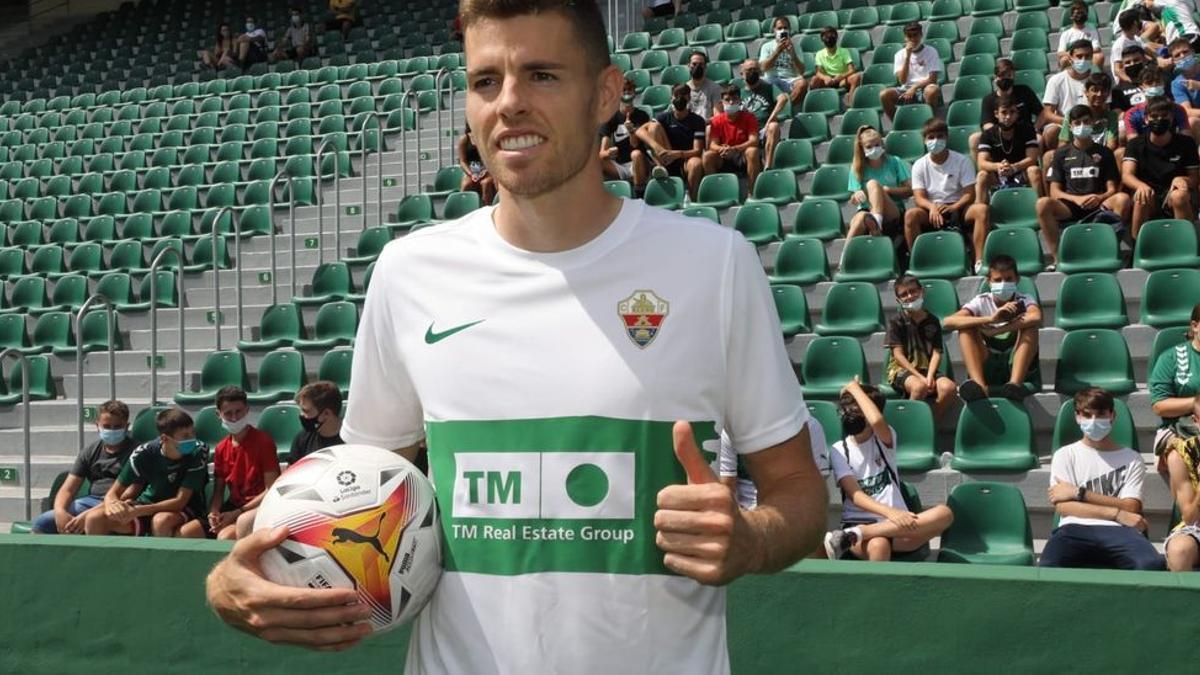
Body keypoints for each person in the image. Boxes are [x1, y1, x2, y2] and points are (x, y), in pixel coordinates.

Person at [205, 0, 828, 666]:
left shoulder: (713, 264)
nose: (509, 104)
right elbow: (353, 500)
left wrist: (751, 538)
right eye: (485, 81)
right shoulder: (410, 273)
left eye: (543, 76)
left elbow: (800, 493)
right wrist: (230, 580)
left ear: (606, 94)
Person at [822, 379, 954, 561]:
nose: (852, 415)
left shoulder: (884, 439)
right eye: (849, 410)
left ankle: (857, 534)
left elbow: (876, 420)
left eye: (859, 410)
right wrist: (890, 513)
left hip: (898, 525)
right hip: (863, 520)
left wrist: (854, 387)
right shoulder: (839, 449)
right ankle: (855, 538)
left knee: (944, 514)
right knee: (879, 544)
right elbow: (856, 496)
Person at [1040, 388, 1164, 571]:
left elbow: (1131, 506)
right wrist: (1116, 513)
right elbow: (1064, 507)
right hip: (1073, 528)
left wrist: (1078, 492)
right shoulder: (1065, 455)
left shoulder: (1132, 458)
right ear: (1077, 417)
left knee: (1151, 564)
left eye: (1100, 414)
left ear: (1112, 415)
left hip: (1121, 531)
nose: (1093, 421)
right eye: (1087, 415)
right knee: (1049, 566)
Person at [233, 381, 345, 539]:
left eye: (306, 411)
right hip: (304, 501)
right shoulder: (302, 438)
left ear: (326, 414)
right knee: (245, 522)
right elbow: (288, 480)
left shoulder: (350, 438)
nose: (302, 416)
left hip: (340, 502)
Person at [84, 408, 208, 537]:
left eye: (193, 433)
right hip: (147, 504)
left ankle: (160, 557)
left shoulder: (199, 450)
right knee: (94, 518)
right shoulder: (144, 453)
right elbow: (113, 493)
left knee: (161, 521)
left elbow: (180, 501)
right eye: (185, 436)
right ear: (165, 439)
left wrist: (138, 511)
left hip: (185, 507)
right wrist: (114, 506)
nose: (192, 439)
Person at [1037, 104, 1131, 268]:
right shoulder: (1060, 153)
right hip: (1071, 206)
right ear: (1071, 126)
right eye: (1077, 123)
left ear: (1093, 123)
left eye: (1086, 121)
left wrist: (1099, 197)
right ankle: (1058, 258)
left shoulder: (1105, 152)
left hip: (1098, 204)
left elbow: (1112, 189)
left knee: (1122, 199)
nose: (1082, 126)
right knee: (1042, 204)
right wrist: (1077, 199)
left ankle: (1107, 251)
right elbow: (1054, 191)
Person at [943, 255, 1042, 402]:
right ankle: (979, 386)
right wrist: (990, 319)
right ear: (989, 281)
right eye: (997, 280)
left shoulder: (1024, 299)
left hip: (1013, 360)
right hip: (987, 360)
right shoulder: (981, 301)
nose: (1003, 284)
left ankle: (1014, 385)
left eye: (1008, 279)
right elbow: (947, 322)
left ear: (1017, 280)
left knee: (1030, 327)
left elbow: (1036, 317)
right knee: (966, 328)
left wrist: (997, 330)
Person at [31, 400, 135, 534]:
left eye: (117, 426)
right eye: (107, 426)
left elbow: (130, 493)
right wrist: (60, 511)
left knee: (93, 519)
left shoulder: (137, 452)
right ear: (97, 426)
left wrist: (86, 515)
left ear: (127, 427)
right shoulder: (90, 451)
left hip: (119, 504)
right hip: (90, 501)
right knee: (43, 522)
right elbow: (68, 489)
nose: (112, 430)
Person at [905, 117, 991, 274]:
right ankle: (917, 261)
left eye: (940, 136)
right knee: (911, 215)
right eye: (931, 137)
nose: (935, 140)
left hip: (958, 206)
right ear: (924, 140)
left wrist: (953, 207)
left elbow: (969, 194)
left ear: (947, 137)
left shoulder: (962, 160)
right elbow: (919, 197)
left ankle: (979, 261)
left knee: (982, 210)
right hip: (932, 209)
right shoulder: (919, 165)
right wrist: (932, 208)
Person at [1122, 96, 1200, 238]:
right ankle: (1138, 247)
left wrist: (1183, 179)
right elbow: (1127, 175)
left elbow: (1195, 178)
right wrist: (1140, 186)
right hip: (1150, 194)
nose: (1159, 119)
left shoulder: (1186, 143)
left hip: (1175, 194)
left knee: (1179, 195)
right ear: (1146, 119)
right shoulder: (1135, 144)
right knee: (1141, 197)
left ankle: (1187, 244)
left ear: (1171, 118)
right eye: (1154, 116)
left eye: (1164, 116)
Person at [208, 387, 279, 541]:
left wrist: (238, 512)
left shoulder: (264, 442)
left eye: (238, 411)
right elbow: (218, 491)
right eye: (228, 413)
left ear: (247, 410)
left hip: (261, 507)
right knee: (191, 532)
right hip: (234, 508)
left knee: (226, 536)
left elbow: (270, 489)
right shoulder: (221, 448)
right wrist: (214, 512)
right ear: (218, 414)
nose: (234, 418)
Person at [885, 275, 959, 421]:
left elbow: (937, 352)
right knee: (919, 388)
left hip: (927, 369)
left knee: (949, 388)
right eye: (904, 294)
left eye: (913, 291)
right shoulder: (896, 322)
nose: (910, 296)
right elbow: (898, 356)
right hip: (901, 370)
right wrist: (920, 377)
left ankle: (929, 424)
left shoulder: (933, 320)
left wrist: (930, 376)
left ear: (922, 291)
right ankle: (908, 425)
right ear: (898, 300)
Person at [719, 419, 830, 509]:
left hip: (793, 512)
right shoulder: (730, 429)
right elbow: (727, 485)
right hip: (746, 514)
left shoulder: (810, 425)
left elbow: (814, 487)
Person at [1149, 303, 1200, 473]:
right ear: (1195, 326)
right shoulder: (1171, 358)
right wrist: (1195, 403)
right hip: (1178, 429)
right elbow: (1159, 406)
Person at [844, 125, 912, 246]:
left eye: (877, 145)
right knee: (859, 218)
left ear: (882, 144)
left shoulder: (894, 162)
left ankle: (877, 224)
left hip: (892, 210)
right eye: (869, 147)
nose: (874, 149)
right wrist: (856, 196)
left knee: (873, 184)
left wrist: (887, 190)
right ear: (862, 148)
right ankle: (845, 257)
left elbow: (909, 190)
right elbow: (853, 199)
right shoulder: (857, 168)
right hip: (866, 210)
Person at [638, 83, 707, 199]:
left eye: (684, 95)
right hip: (666, 158)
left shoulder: (697, 120)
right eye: (676, 95)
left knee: (696, 163)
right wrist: (659, 149)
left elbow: (697, 150)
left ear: (689, 97)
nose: (680, 98)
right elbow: (639, 131)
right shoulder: (664, 117)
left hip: (685, 160)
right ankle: (661, 168)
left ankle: (693, 199)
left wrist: (677, 154)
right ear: (671, 98)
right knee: (653, 127)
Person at [976, 94, 1043, 206]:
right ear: (996, 114)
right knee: (982, 175)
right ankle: (981, 211)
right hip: (998, 173)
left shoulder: (1027, 130)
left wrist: (1014, 167)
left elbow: (1032, 158)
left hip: (1021, 170)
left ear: (1017, 114)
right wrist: (998, 166)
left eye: (1012, 112)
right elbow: (981, 163)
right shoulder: (988, 134)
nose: (1008, 116)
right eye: (1004, 112)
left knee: (1034, 170)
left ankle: (1039, 207)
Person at [1046, 73, 1122, 170]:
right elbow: (1063, 143)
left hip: (1100, 156)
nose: (1099, 94)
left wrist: (1094, 157)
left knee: (1120, 153)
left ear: (1108, 94)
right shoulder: (1072, 113)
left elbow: (1111, 145)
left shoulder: (1111, 116)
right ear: (1086, 92)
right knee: (1048, 156)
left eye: (1103, 91)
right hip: (1074, 155)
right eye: (1095, 90)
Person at [1164, 397, 1200, 571]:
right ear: (1196, 421)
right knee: (1179, 550)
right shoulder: (1180, 455)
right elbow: (1190, 517)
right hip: (1197, 524)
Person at [703, 86, 762, 191]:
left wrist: (734, 149)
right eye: (727, 100)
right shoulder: (717, 120)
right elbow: (712, 144)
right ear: (722, 102)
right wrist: (722, 149)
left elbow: (754, 140)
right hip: (724, 155)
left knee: (753, 151)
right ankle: (716, 193)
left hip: (742, 154)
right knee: (708, 156)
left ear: (740, 100)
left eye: (734, 99)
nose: (731, 102)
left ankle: (752, 192)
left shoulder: (749, 117)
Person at [1042, 39, 1097, 153]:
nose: (1083, 60)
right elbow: (1047, 114)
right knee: (1050, 132)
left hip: (1091, 122)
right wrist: (1070, 122)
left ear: (1092, 57)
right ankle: (1059, 159)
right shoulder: (1056, 80)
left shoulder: (1098, 78)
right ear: (1070, 57)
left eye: (1087, 56)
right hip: (1064, 123)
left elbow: (1104, 107)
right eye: (1079, 56)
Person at [882, 22, 942, 121]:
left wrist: (915, 87)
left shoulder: (931, 51)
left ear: (921, 35)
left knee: (932, 90)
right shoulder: (899, 55)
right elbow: (902, 81)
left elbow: (933, 79)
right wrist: (907, 56)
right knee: (884, 94)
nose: (913, 39)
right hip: (905, 88)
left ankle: (929, 121)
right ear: (905, 37)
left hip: (924, 87)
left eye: (915, 35)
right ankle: (898, 124)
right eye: (909, 36)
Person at [599, 79, 651, 193]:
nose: (626, 93)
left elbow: (636, 145)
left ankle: (639, 193)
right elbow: (602, 153)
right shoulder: (611, 118)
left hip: (639, 162)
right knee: (595, 161)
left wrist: (631, 131)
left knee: (636, 154)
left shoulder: (642, 116)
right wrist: (609, 153)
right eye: (623, 90)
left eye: (629, 90)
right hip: (620, 165)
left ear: (634, 92)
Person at [741, 59, 786, 170]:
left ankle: (768, 165)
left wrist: (770, 119)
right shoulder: (738, 92)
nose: (752, 72)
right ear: (741, 73)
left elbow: (783, 98)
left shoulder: (768, 87)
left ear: (760, 72)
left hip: (763, 130)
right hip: (746, 131)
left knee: (774, 126)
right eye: (749, 70)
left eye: (755, 69)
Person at [758, 17, 808, 107]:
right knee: (758, 82)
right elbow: (763, 68)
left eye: (785, 28)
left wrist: (793, 55)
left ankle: (786, 107)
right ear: (774, 30)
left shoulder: (796, 47)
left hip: (789, 79)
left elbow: (801, 71)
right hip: (771, 78)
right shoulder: (766, 46)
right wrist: (777, 52)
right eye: (779, 28)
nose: (783, 30)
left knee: (802, 84)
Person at [809, 27, 861, 100]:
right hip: (827, 81)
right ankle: (816, 102)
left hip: (841, 80)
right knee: (814, 80)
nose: (829, 38)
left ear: (836, 37)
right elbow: (818, 72)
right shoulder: (819, 54)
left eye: (831, 35)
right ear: (822, 39)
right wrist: (825, 77)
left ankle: (851, 100)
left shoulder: (844, 51)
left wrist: (841, 76)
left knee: (856, 77)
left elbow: (852, 69)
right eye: (826, 36)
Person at [1057, 2, 1106, 70]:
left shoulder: (1092, 30)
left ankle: (1095, 78)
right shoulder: (1066, 34)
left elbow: (1097, 48)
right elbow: (1060, 53)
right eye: (1077, 13)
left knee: (1099, 56)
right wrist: (1075, 55)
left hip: (1088, 57)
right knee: (1064, 60)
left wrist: (1083, 54)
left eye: (1082, 13)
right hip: (1072, 58)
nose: (1080, 15)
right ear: (1071, 16)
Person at [458, 123, 496, 206]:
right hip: (471, 169)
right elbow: (462, 161)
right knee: (466, 184)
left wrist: (485, 170)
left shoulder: (486, 137)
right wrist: (471, 174)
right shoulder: (465, 139)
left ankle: (486, 208)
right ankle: (464, 209)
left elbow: (492, 157)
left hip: (487, 169)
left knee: (486, 183)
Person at [1112, 11, 1153, 87]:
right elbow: (1117, 70)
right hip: (1128, 83)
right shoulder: (1119, 45)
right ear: (1135, 23)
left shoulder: (1137, 39)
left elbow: (1149, 51)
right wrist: (1133, 83)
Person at [1168, 37, 1200, 127]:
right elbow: (1187, 111)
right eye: (1177, 55)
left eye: (1185, 52)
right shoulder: (1177, 84)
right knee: (1192, 121)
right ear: (1174, 61)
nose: (1182, 56)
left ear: (1193, 52)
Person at [685, 50, 724, 120]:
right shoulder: (683, 90)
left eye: (701, 64)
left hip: (708, 126)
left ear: (705, 66)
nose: (697, 67)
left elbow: (718, 115)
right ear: (688, 65)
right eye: (694, 64)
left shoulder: (715, 88)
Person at [1112, 44, 1152, 110]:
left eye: (1136, 60)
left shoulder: (1157, 81)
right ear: (1123, 65)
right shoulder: (1117, 91)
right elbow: (1119, 115)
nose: (1132, 64)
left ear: (1144, 60)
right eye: (1128, 62)